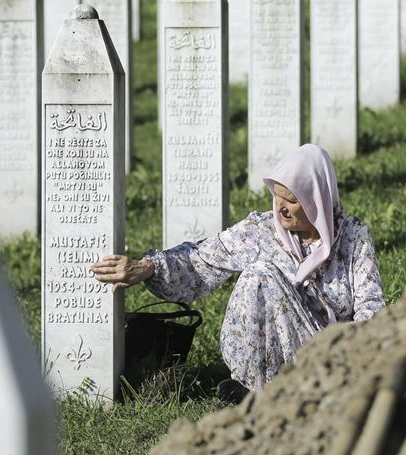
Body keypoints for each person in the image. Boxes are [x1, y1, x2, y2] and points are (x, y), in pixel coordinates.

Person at [91, 144, 385, 390]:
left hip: (328, 356)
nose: (279, 208)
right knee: (260, 275)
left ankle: (307, 385)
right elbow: (202, 259)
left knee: (265, 275)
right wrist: (148, 267)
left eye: (291, 201)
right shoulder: (262, 230)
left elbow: (370, 304)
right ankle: (256, 386)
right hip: (267, 359)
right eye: (276, 197)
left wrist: (356, 359)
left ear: (316, 199)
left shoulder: (353, 236)